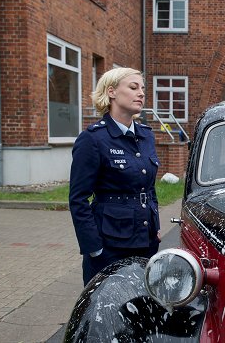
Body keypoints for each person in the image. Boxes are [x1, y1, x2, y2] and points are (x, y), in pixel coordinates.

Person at [69, 67, 161, 286]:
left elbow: (148, 187)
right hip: (109, 245)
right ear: (111, 92)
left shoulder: (146, 135)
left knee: (143, 306)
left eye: (142, 88)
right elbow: (78, 199)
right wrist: (94, 248)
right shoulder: (93, 139)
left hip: (145, 241)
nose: (141, 93)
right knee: (106, 310)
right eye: (133, 87)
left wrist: (155, 226)